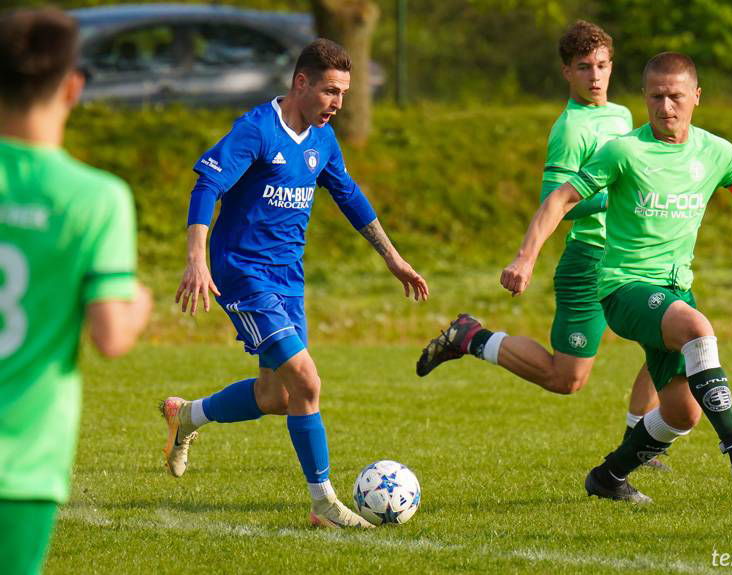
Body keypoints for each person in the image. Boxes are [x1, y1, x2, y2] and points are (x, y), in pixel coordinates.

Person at [501, 51, 732, 503]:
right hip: (624, 287)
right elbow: (559, 199)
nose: (665, 106)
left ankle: (608, 477)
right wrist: (525, 257)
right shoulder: (624, 151)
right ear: (644, 97)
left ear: (696, 97)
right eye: (655, 96)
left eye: (675, 96)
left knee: (680, 415)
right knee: (697, 328)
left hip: (675, 288)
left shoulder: (716, 153)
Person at [162, 38, 428, 529]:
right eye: (330, 91)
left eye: (344, 93)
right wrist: (195, 259)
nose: (338, 103)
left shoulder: (323, 141)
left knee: (277, 397)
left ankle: (189, 416)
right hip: (242, 272)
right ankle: (323, 503)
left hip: (289, 279)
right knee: (307, 381)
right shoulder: (256, 129)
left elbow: (350, 197)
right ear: (300, 83)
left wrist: (394, 258)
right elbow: (207, 186)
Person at [416, 21, 665, 466]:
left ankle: (638, 444)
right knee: (565, 379)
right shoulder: (570, 130)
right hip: (589, 260)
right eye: (585, 67)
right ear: (566, 71)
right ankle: (472, 337)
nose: (595, 76)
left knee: (670, 339)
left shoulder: (623, 115)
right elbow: (557, 202)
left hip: (634, 258)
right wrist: (526, 258)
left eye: (603, 66)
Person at [0, 9, 152, 574]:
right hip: (22, 467)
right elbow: (110, 335)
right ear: (72, 86)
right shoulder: (95, 198)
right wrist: (139, 305)